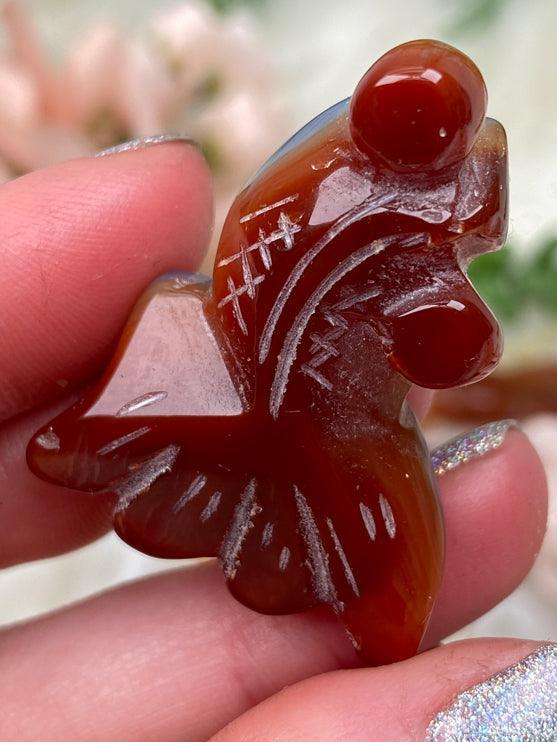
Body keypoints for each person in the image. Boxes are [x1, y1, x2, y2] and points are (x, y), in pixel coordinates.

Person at [0, 137, 549, 740]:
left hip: (311, 422)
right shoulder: (326, 209)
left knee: (385, 576)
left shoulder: (370, 219)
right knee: (380, 568)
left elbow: (460, 345)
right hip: (282, 415)